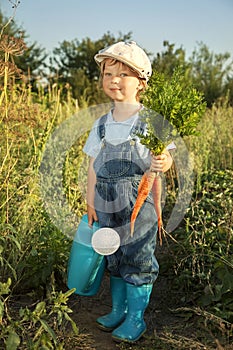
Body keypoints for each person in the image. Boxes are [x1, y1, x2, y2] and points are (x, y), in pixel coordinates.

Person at [83, 41, 173, 343]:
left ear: (142, 83)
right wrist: (90, 200)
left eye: (123, 75)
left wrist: (163, 160)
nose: (114, 80)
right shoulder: (101, 124)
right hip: (106, 204)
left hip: (139, 202)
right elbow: (94, 165)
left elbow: (167, 157)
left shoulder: (150, 120)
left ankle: (136, 318)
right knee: (114, 258)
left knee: (138, 258)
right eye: (108, 74)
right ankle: (118, 309)